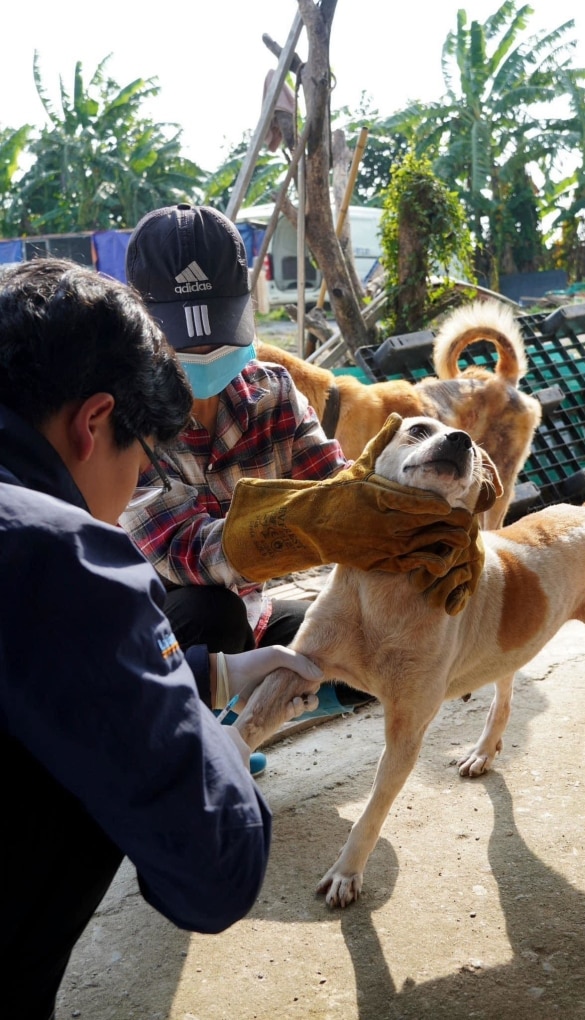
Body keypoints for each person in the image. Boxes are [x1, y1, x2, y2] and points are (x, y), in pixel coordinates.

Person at [0, 258, 325, 1020]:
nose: (137, 484)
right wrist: (225, 738)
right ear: (92, 424)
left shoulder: (277, 396)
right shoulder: (62, 555)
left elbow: (40, 672)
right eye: (142, 462)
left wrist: (217, 674)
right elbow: (217, 865)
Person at [121, 204, 484, 692]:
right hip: (156, 631)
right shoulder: (126, 420)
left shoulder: (273, 393)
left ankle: (236, 714)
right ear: (141, 327)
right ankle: (189, 739)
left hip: (251, 611)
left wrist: (406, 515)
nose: (206, 355)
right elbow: (185, 552)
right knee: (212, 613)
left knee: (367, 651)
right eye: (186, 343)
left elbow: (334, 482)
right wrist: (318, 524)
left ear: (245, 309)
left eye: (217, 338)